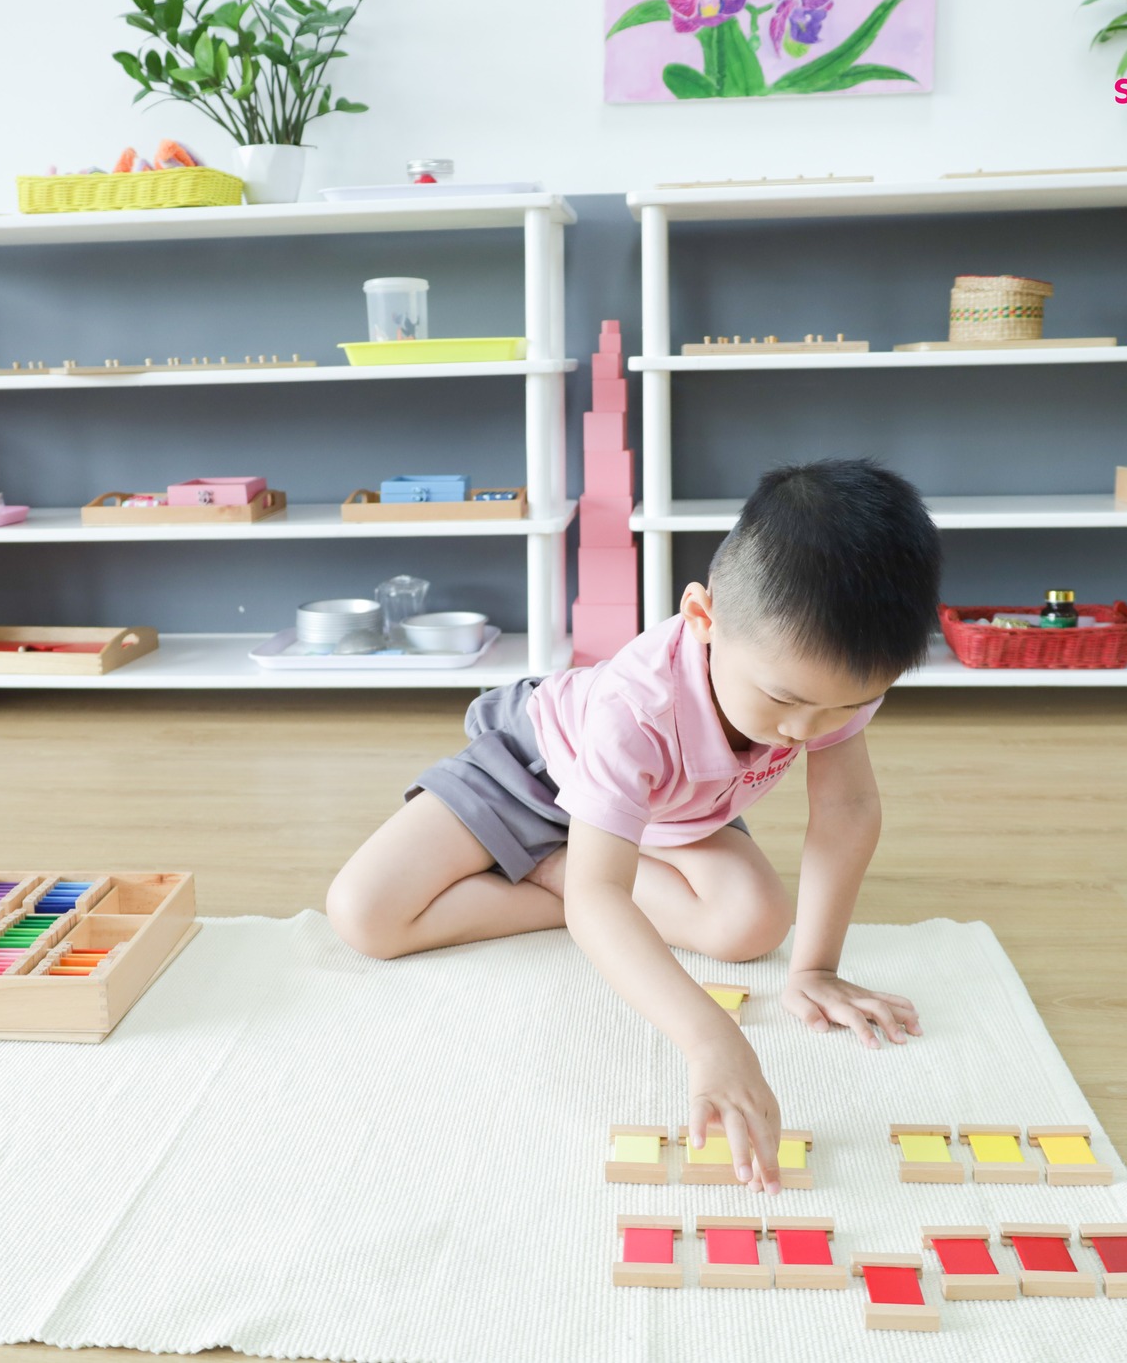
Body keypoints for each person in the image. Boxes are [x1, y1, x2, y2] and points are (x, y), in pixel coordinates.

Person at [326, 458, 943, 1194]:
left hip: (661, 815)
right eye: (783, 700)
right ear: (703, 616)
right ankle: (579, 874)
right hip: (535, 772)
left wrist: (816, 968)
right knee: (365, 914)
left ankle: (565, 871)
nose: (805, 731)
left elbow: (846, 810)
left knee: (754, 923)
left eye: (845, 706)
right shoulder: (635, 708)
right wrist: (711, 1037)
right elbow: (607, 897)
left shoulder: (835, 681)